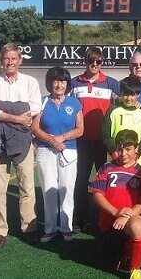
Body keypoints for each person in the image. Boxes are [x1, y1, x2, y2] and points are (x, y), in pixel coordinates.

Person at [0, 43, 42, 247]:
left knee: (26, 186)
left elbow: (34, 107)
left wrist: (3, 110)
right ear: (2, 60)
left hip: (23, 140)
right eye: (6, 58)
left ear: (19, 60)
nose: (10, 62)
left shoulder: (30, 82)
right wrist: (16, 116)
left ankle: (29, 227)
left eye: (13, 58)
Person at [69, 47, 121, 232]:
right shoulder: (74, 83)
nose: (95, 65)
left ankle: (104, 217)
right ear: (86, 61)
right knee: (80, 181)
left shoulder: (110, 83)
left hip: (102, 141)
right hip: (80, 141)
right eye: (91, 61)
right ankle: (80, 218)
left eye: (98, 61)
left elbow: (128, 99)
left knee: (104, 182)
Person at [31, 67, 84, 243]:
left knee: (67, 189)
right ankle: (50, 229)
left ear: (67, 84)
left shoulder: (74, 103)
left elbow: (80, 129)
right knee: (49, 190)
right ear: (49, 83)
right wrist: (52, 141)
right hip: (46, 150)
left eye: (62, 81)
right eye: (55, 81)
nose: (59, 85)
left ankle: (66, 229)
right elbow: (35, 128)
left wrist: (62, 138)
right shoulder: (42, 102)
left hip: (68, 150)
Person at [92, 129, 141, 279]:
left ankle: (135, 270)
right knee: (107, 261)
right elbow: (97, 195)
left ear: (136, 148)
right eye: (120, 149)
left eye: (128, 149)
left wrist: (126, 215)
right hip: (109, 224)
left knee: (137, 224)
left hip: (128, 222)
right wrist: (115, 212)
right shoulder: (106, 168)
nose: (123, 153)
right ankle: (124, 252)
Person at [102, 76, 141, 170]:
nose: (128, 98)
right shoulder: (113, 110)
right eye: (125, 94)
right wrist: (114, 153)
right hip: (116, 160)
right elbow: (105, 134)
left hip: (138, 161)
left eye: (132, 95)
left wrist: (137, 154)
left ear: (138, 95)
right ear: (120, 93)